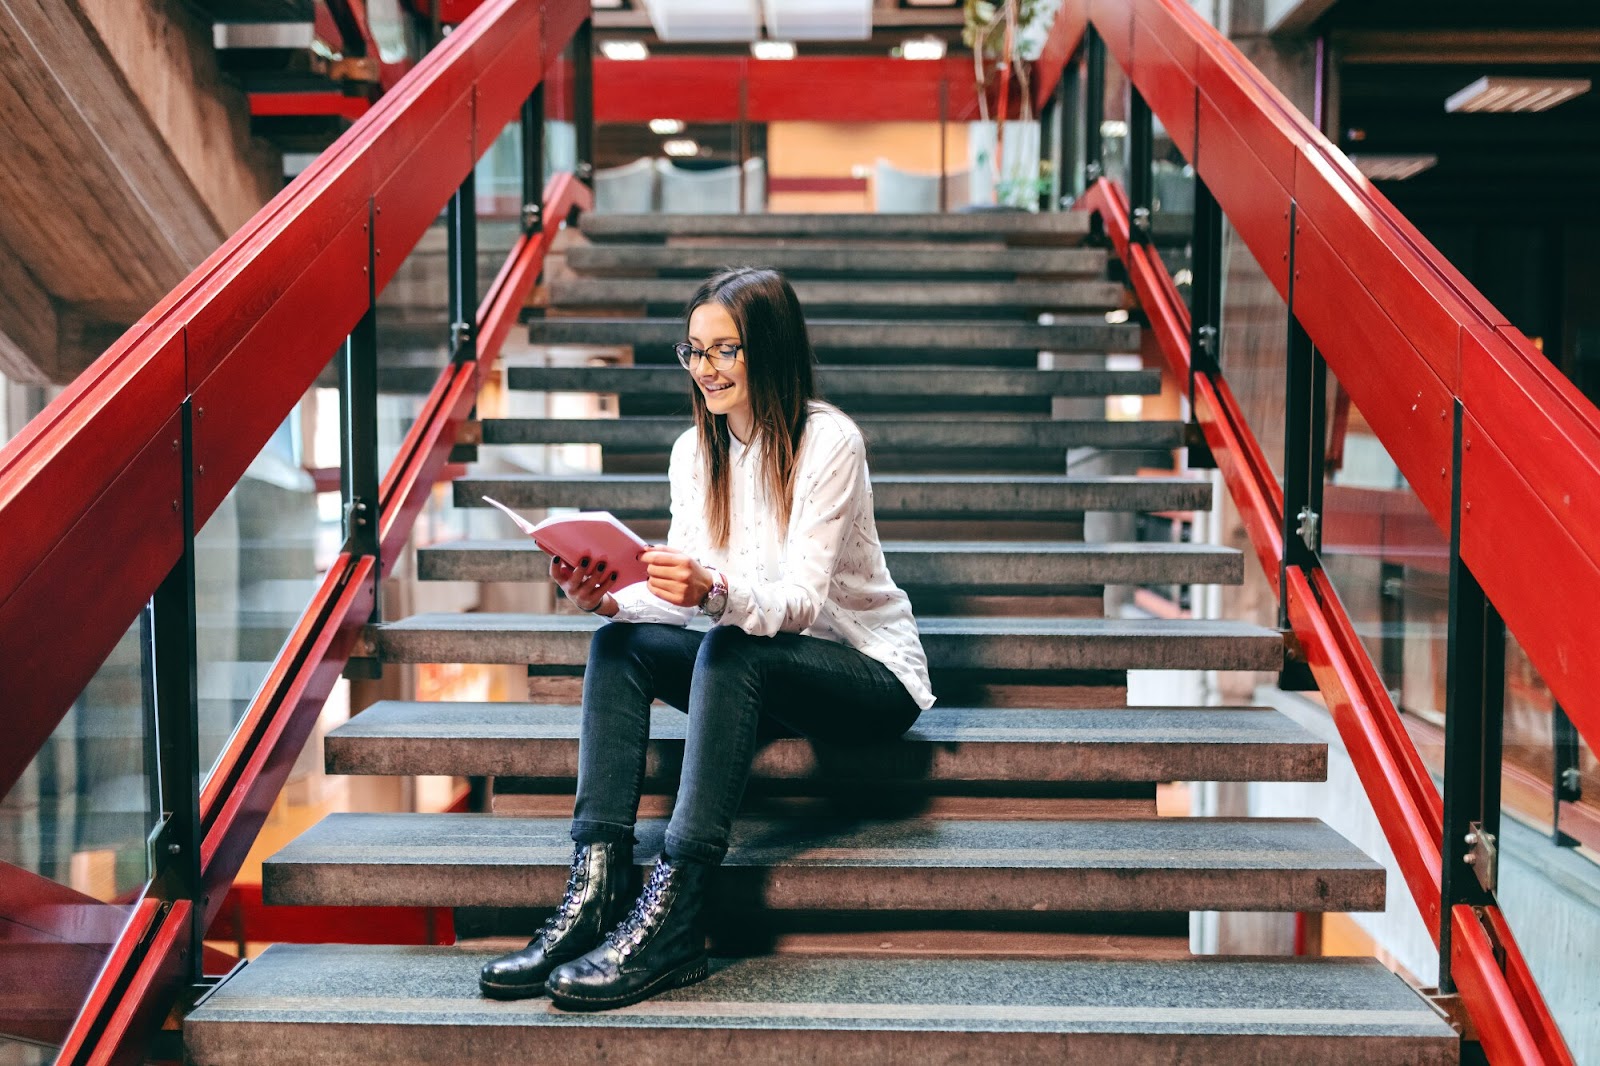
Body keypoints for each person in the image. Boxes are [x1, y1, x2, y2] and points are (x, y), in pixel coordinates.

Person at [478, 267, 934, 1011]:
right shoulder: (694, 455)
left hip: (865, 673)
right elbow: (677, 603)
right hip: (760, 671)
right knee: (618, 649)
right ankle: (595, 890)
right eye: (695, 351)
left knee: (731, 644)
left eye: (726, 350)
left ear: (770, 349)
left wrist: (712, 592)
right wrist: (610, 601)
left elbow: (798, 602)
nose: (707, 369)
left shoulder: (828, 442)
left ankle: (677, 916)